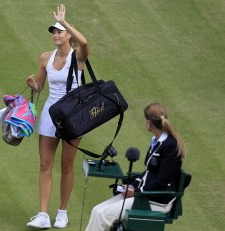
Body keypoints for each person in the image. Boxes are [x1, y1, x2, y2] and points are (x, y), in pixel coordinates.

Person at [25, 3, 89, 229]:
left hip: (73, 116)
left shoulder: (78, 57)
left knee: (67, 164)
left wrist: (64, 22)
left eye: (58, 31)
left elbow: (84, 42)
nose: (55, 34)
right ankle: (43, 214)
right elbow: (41, 86)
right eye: (53, 31)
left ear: (68, 34)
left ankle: (62, 212)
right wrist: (34, 85)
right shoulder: (45, 57)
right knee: (45, 163)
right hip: (50, 114)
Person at [85, 102, 186, 231]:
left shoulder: (170, 146)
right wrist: (132, 185)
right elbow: (149, 172)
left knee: (103, 215)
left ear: (148, 122)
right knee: (96, 210)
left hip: (156, 201)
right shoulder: (157, 141)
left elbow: (162, 181)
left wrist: (136, 192)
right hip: (145, 196)